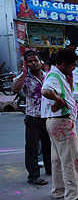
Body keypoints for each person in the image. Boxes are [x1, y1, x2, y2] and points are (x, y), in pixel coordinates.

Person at [41, 49, 78, 200]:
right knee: (71, 160)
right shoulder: (54, 76)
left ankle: (59, 190)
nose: (73, 69)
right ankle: (74, 196)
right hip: (62, 122)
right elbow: (46, 90)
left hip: (54, 122)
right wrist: (60, 100)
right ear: (63, 64)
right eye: (72, 66)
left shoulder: (57, 74)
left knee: (57, 159)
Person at [11, 50, 51, 185]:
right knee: (32, 148)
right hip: (33, 117)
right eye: (30, 61)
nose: (34, 63)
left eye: (36, 61)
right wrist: (24, 73)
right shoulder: (25, 78)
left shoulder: (47, 76)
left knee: (49, 145)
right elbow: (15, 89)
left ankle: (50, 169)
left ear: (41, 62)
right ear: (26, 64)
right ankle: (33, 176)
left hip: (47, 116)